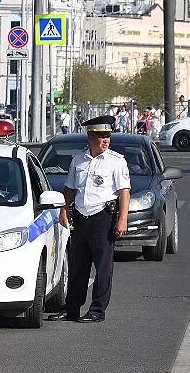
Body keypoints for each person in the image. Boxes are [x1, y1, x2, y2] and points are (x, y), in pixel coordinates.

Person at [48, 116, 130, 323]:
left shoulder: (116, 161)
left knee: (102, 267)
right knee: (77, 266)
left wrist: (122, 219)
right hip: (81, 218)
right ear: (90, 136)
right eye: (101, 136)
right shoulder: (78, 160)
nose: (105, 140)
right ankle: (71, 308)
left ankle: (97, 310)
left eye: (107, 136)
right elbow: (70, 188)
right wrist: (64, 210)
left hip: (102, 217)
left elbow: (124, 192)